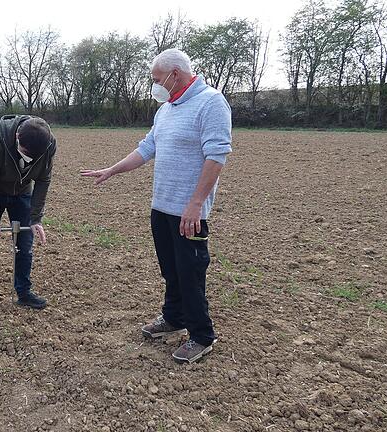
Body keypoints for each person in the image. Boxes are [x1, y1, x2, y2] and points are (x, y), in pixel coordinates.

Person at [81, 48, 232, 363]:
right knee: (171, 270)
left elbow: (216, 156)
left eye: (157, 79)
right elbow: (147, 148)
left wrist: (195, 204)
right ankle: (174, 318)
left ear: (175, 74)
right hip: (161, 206)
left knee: (190, 272)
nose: (155, 85)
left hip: (188, 211)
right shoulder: (166, 109)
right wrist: (112, 169)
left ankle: (202, 335)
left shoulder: (211, 103)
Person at [0, 115, 57, 315]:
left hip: (23, 193)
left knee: (24, 247)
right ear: (17, 136)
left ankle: (24, 293)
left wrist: (36, 219)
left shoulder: (49, 144)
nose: (29, 159)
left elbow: (43, 180)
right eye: (26, 153)